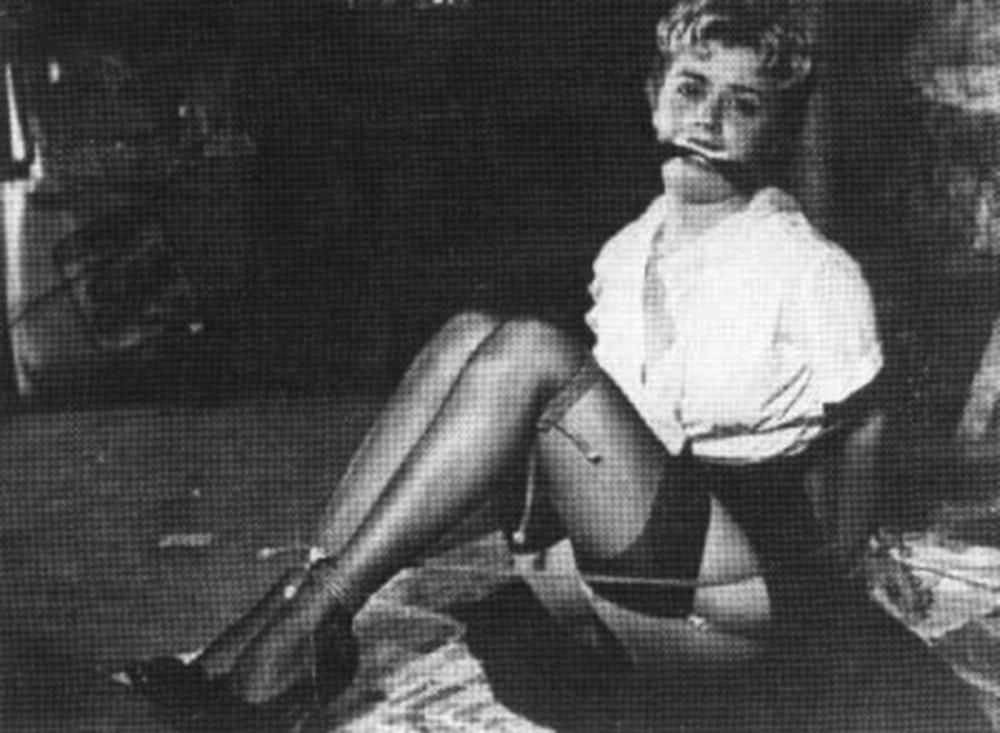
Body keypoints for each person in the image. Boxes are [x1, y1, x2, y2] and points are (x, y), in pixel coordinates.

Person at [121, 0, 885, 728]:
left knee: (529, 350)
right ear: (653, 94)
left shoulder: (809, 268)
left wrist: (844, 576)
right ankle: (297, 601)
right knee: (471, 333)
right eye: (691, 88)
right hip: (634, 553)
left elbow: (867, 423)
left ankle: (313, 625)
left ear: (778, 128)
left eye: (744, 105)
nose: (709, 120)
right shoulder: (628, 250)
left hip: (736, 592)